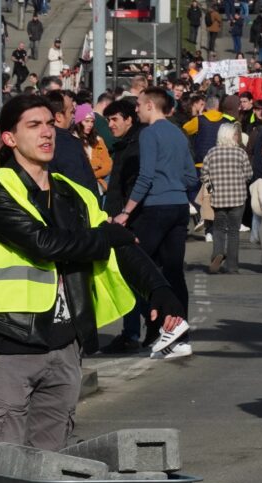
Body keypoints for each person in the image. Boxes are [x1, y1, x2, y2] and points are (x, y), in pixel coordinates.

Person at [0, 94, 182, 483]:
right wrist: (101, 238)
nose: (47, 132)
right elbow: (44, 244)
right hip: (10, 346)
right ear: (9, 138)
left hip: (64, 345)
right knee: (3, 465)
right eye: (33, 125)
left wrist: (162, 293)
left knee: (51, 468)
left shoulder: (75, 192)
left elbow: (120, 243)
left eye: (50, 123)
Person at [112, 87, 198, 357]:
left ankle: (158, 326)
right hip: (178, 207)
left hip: (156, 208)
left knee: (135, 266)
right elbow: (191, 177)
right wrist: (174, 186)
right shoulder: (178, 132)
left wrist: (125, 212)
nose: (135, 109)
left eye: (138, 104)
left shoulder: (150, 134)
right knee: (173, 272)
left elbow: (145, 177)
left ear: (150, 105)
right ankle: (180, 336)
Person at [100, 98, 146, 354]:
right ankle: (136, 331)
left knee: (132, 277)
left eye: (115, 119)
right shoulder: (124, 145)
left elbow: (133, 184)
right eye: (108, 119)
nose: (110, 124)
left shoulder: (137, 146)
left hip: (130, 219)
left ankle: (132, 333)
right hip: (121, 217)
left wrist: (124, 215)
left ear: (130, 119)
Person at [201, 123, 252, 274]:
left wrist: (212, 189)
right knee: (234, 232)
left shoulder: (211, 153)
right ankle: (232, 266)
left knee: (218, 229)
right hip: (238, 198)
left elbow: (204, 175)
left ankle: (217, 253)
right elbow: (249, 174)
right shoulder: (240, 153)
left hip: (218, 199)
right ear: (232, 136)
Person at [72, 103, 112, 192]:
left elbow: (108, 165)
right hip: (80, 188)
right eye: (86, 121)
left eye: (92, 121)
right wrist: (96, 165)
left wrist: (92, 174)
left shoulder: (98, 140)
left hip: (99, 187)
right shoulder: (72, 140)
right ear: (79, 122)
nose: (90, 124)